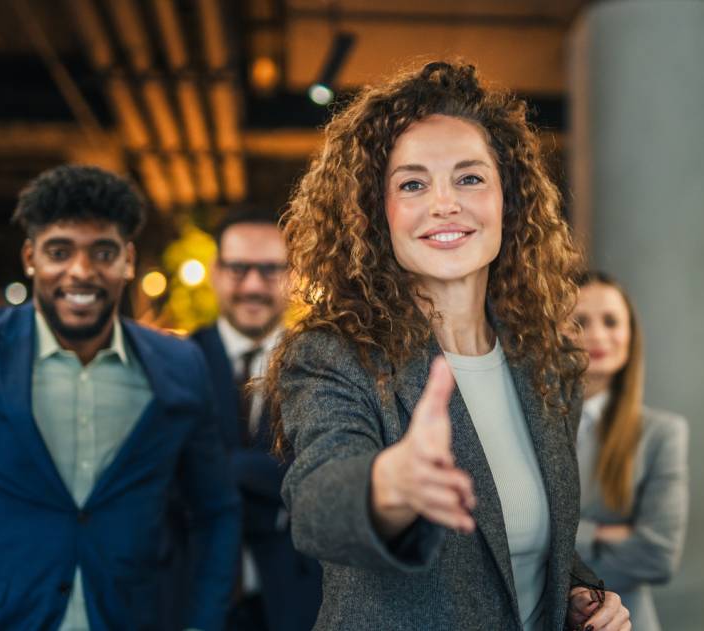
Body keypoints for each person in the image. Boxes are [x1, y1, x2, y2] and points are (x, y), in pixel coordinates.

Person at [266, 61, 631, 630]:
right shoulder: (335, 355)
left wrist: (579, 593)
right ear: (374, 212)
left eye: (469, 178)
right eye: (412, 184)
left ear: (507, 199)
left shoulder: (547, 362)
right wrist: (389, 484)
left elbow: (523, 539)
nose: (444, 204)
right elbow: (315, 507)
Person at [0, 165, 239, 631]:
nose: (81, 271)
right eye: (60, 251)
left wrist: (202, 623)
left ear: (129, 260)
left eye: (103, 251)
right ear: (30, 257)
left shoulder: (180, 364)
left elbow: (216, 511)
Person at [189, 205, 321, 630]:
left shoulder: (325, 366)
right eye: (238, 268)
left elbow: (327, 477)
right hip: (195, 597)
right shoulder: (173, 361)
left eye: (269, 269)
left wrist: (221, 470)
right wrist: (279, 480)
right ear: (215, 271)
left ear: (294, 275)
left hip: (299, 602)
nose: (252, 285)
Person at [572, 271, 689, 631]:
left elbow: (658, 556)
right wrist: (604, 533)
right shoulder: (530, 427)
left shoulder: (662, 433)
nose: (597, 335)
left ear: (630, 336)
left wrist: (565, 540)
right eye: (579, 322)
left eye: (610, 321)